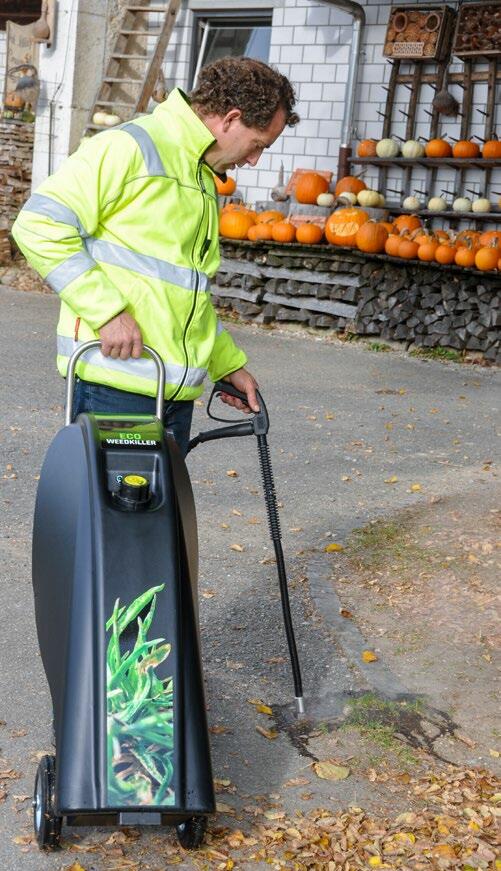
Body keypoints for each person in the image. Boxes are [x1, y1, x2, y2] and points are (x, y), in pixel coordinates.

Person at [12, 57, 299, 455]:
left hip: (172, 397)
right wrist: (107, 312)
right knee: (118, 519)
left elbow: (184, 295)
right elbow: (38, 226)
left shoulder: (199, 177)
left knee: (158, 519)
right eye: (257, 145)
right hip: (116, 388)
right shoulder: (128, 148)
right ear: (230, 119)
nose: (254, 160)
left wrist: (227, 365)